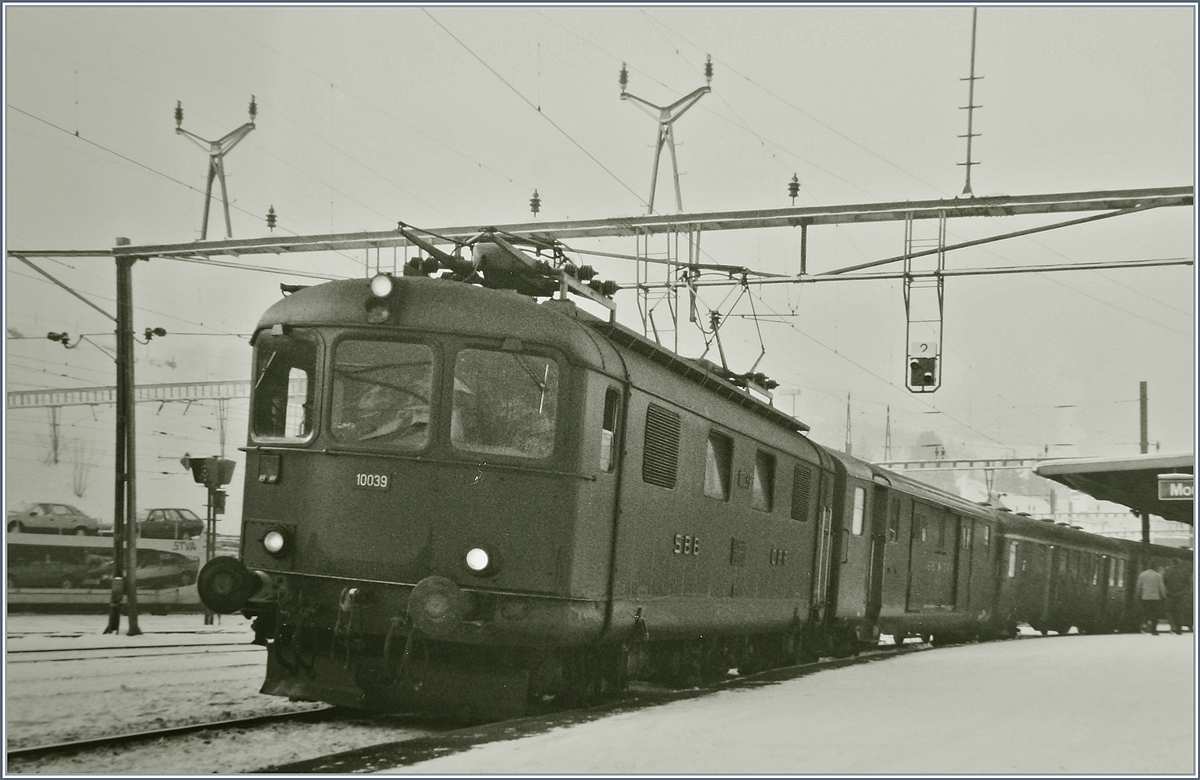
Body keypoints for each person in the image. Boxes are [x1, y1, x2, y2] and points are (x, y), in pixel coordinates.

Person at [1135, 562, 1168, 635]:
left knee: (1146, 612)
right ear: (1155, 567)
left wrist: (1138, 595)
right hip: (1155, 597)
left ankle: (1144, 625)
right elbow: (1161, 587)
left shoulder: (1142, 574)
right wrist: (1163, 596)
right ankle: (1154, 630)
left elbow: (1139, 586)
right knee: (1155, 614)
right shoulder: (1158, 575)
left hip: (1145, 597)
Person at [1162, 559, 1191, 634]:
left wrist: (1167, 590)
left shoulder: (1167, 571)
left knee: (1168, 610)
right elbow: (1188, 583)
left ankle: (1172, 625)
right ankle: (1179, 628)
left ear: (1172, 563)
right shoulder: (1184, 571)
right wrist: (1184, 592)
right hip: (1181, 594)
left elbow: (1164, 581)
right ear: (1179, 563)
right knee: (1179, 611)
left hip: (1169, 594)